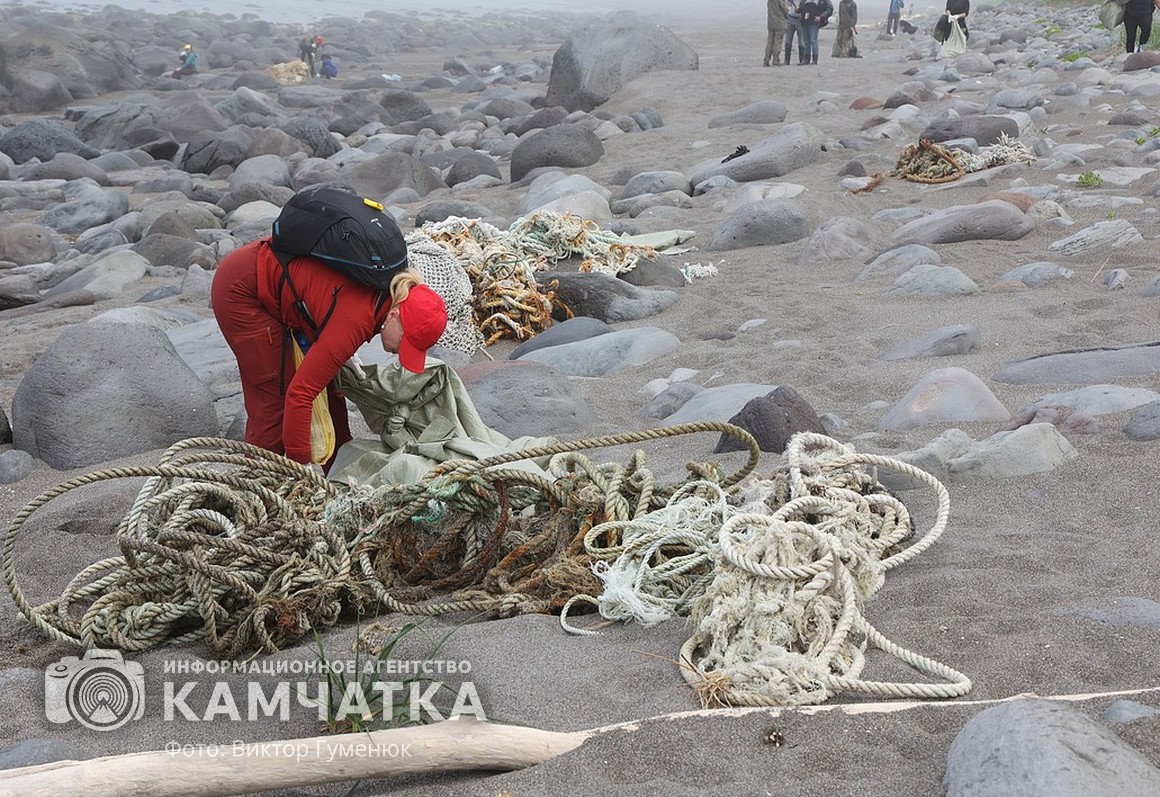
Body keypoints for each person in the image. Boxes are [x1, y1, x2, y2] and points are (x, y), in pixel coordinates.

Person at [210, 228, 449, 470]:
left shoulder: (384, 299)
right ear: (395, 314)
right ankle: (259, 482)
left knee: (332, 386)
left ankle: (339, 470)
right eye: (405, 343)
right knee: (276, 396)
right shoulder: (355, 321)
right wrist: (301, 471)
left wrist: (341, 467)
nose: (400, 352)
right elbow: (300, 395)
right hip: (242, 289)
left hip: (279, 282)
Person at [798, 0, 833, 64]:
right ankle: (806, 59)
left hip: (814, 22)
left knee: (813, 41)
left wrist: (821, 17)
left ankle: (815, 60)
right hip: (804, 21)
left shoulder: (823, 1)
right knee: (806, 41)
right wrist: (798, 9)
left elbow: (830, 9)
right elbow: (801, 8)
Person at [764, 0, 789, 66]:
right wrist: (787, 13)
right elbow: (784, 9)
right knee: (777, 42)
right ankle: (775, 60)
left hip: (771, 22)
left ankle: (766, 60)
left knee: (770, 42)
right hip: (779, 22)